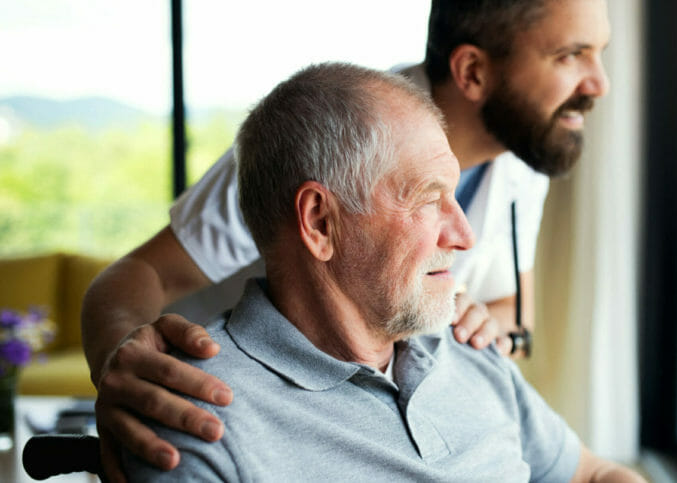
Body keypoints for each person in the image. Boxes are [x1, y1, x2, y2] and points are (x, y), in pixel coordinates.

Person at [83, 0, 611, 479]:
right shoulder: (319, 140)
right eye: (571, 55)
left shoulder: (520, 158)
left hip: (396, 373)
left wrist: (470, 327)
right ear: (472, 70)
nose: (599, 83)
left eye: (600, 53)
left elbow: (513, 306)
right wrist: (125, 372)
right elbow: (137, 276)